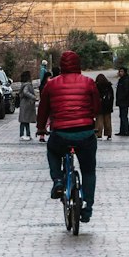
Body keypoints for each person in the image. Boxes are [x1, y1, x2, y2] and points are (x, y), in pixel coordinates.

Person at [36, 50, 101, 223]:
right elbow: (96, 107)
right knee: (88, 170)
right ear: (78, 64)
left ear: (61, 65)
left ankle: (58, 180)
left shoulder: (51, 84)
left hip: (61, 133)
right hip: (86, 133)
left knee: (53, 151)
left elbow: (43, 110)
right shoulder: (88, 83)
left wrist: (41, 128)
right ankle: (88, 205)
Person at [17, 70, 38, 139]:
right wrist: (33, 97)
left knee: (25, 120)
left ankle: (27, 134)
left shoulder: (24, 84)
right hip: (26, 104)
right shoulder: (27, 85)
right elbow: (25, 92)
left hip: (25, 104)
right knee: (25, 120)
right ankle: (23, 134)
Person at [94, 72, 114, 140]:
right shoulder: (109, 86)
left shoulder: (96, 86)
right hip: (108, 107)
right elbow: (112, 97)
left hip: (99, 107)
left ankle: (99, 135)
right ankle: (109, 135)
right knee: (108, 121)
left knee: (99, 121)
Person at [115, 66, 129, 136]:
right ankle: (122, 131)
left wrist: (121, 98)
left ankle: (127, 131)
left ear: (125, 72)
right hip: (121, 101)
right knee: (121, 116)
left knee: (124, 116)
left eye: (122, 71)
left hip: (124, 101)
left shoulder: (126, 80)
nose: (120, 73)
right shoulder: (121, 79)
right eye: (120, 71)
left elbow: (126, 91)